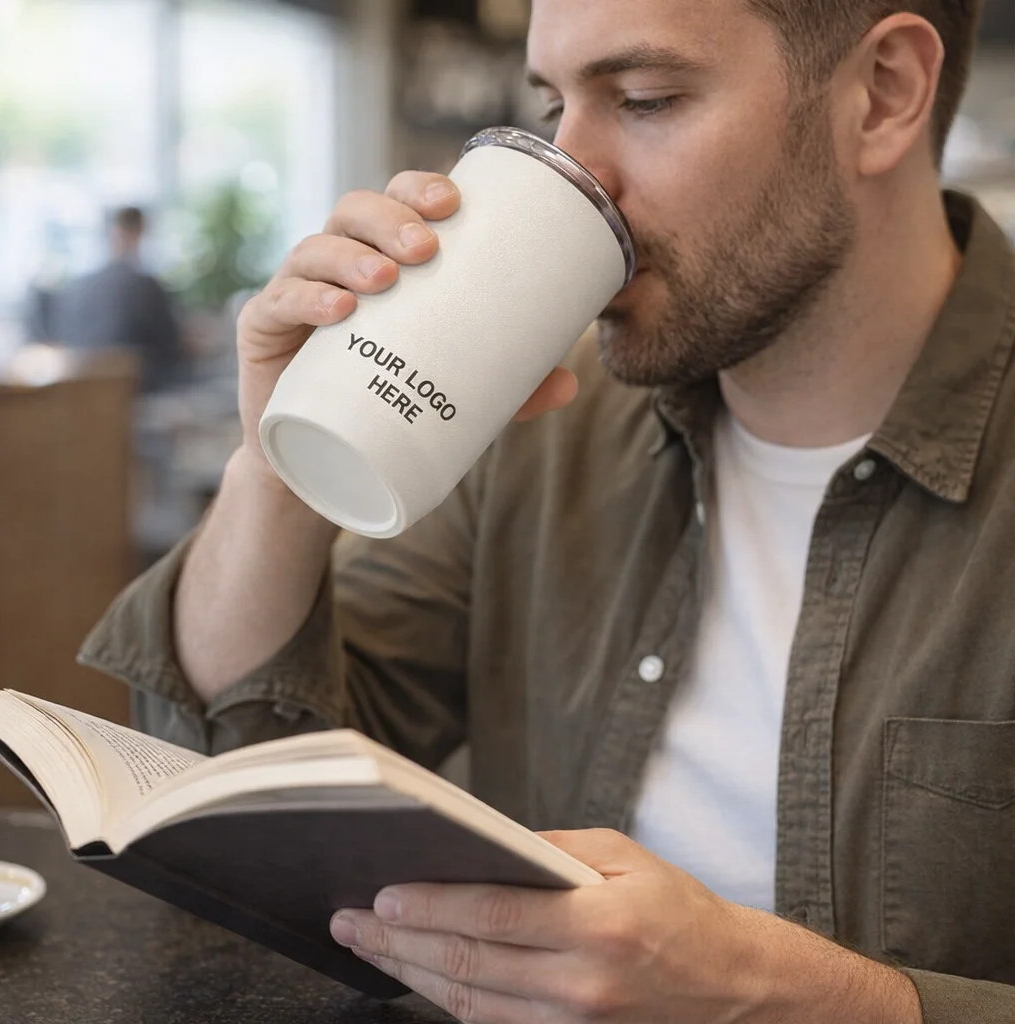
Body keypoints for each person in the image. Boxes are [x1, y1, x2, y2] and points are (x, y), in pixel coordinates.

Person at [80, 1, 1015, 1021]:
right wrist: (278, 459)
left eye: (645, 99)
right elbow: (240, 784)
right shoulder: (541, 420)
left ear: (881, 93)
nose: (574, 170)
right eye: (553, 104)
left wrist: (790, 995)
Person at [54, 206, 182, 391]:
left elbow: (62, 339)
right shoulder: (145, 286)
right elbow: (170, 342)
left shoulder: (75, 285)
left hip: (82, 391)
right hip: (139, 391)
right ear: (139, 232)